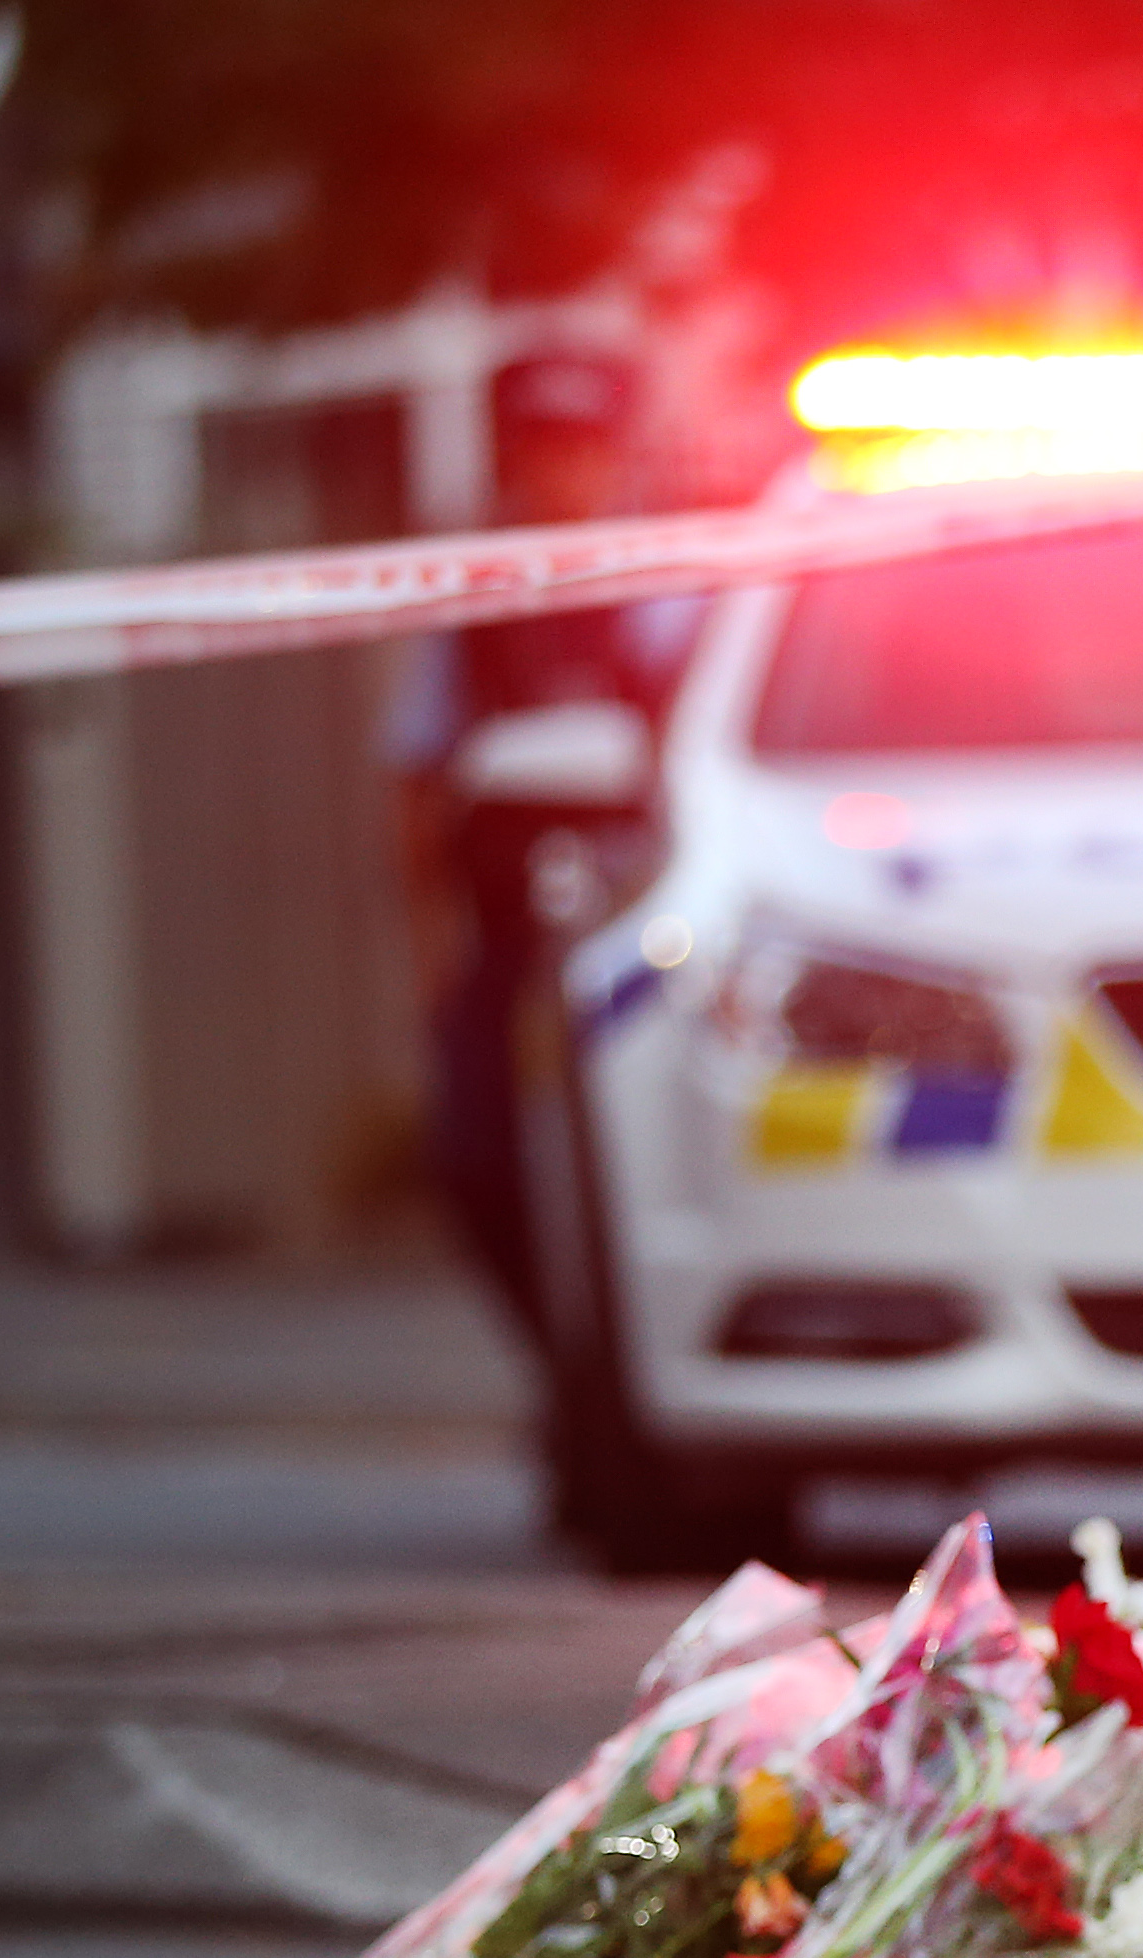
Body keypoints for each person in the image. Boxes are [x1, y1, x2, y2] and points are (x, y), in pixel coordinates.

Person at [385, 353, 694, 1338]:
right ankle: (566, 1364)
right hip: (512, 945)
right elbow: (416, 783)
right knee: (476, 1157)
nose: (566, 472)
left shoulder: (676, 585)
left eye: (585, 447)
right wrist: (434, 951)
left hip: (657, 944)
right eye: (543, 447)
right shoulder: (480, 599)